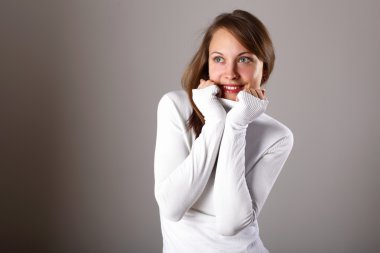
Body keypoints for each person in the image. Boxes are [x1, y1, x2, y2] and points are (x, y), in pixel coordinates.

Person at [154, 9, 293, 253]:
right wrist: (215, 122)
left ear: (265, 69)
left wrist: (236, 125)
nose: (230, 72)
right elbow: (171, 207)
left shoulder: (277, 136)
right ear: (207, 64)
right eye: (219, 59)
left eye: (244, 59)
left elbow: (230, 224)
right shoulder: (175, 107)